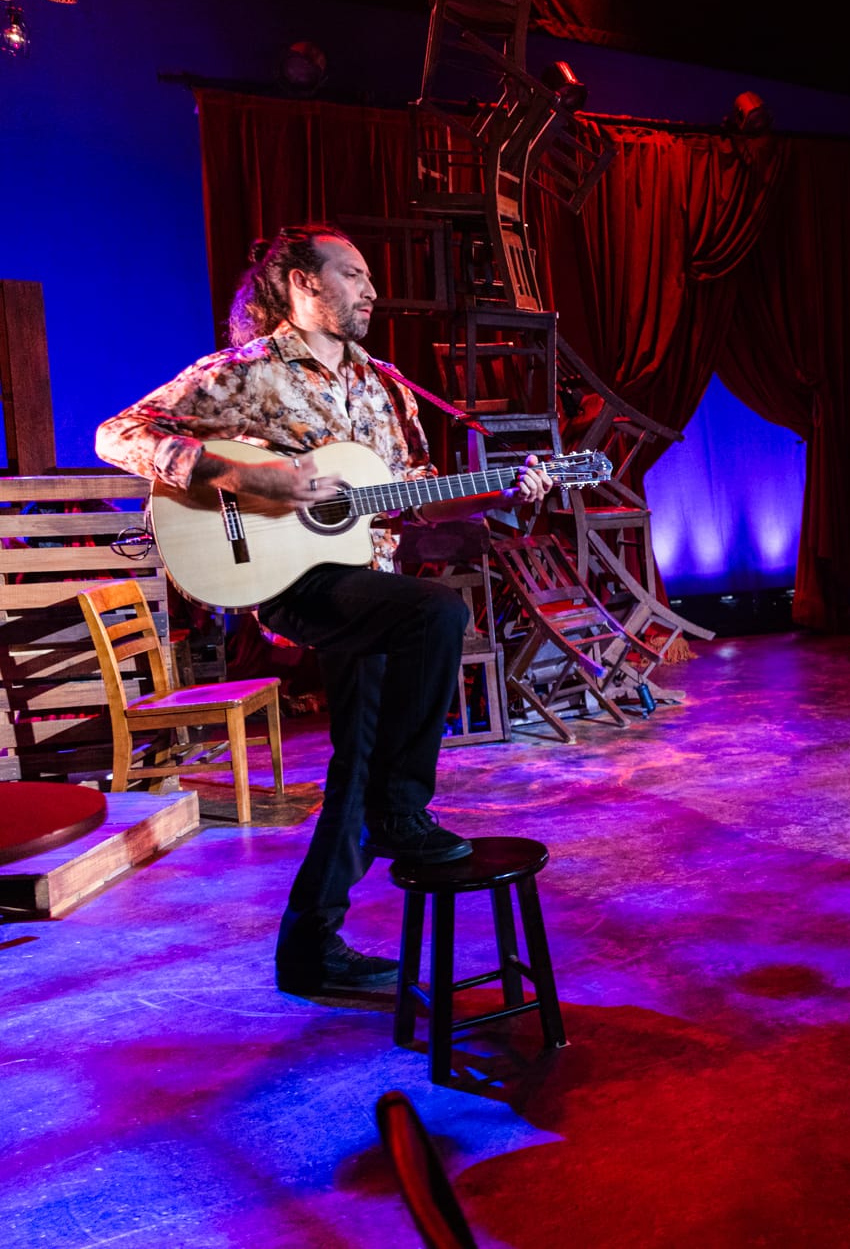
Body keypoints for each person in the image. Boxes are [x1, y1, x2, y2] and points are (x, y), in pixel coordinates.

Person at [96, 224, 555, 994]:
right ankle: (402, 811)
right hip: (288, 578)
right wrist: (248, 478)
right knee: (437, 615)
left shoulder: (386, 385)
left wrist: (500, 493)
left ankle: (311, 948)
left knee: (358, 761)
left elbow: (410, 494)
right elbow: (119, 434)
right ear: (302, 284)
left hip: (365, 580)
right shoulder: (246, 372)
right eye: (353, 274)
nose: (372, 290)